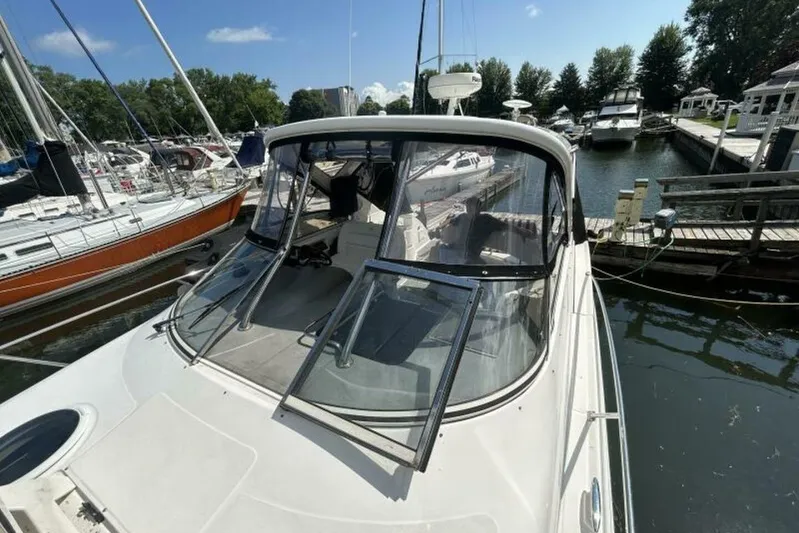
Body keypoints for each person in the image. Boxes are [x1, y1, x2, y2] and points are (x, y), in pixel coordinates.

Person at [439, 196, 505, 264]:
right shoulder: (462, 217)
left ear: (479, 208)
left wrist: (515, 230)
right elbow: (450, 220)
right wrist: (440, 227)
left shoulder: (486, 219)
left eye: (472, 207)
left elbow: (505, 226)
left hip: (471, 254)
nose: (469, 209)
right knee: (438, 248)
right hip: (455, 249)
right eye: (468, 207)